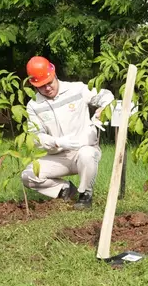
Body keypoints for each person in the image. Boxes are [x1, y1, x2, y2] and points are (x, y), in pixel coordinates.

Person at [20, 56, 114, 210]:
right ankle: (65, 189)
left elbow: (106, 95)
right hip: (58, 155)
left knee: (87, 154)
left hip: (84, 150)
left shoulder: (77, 89)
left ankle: (85, 195)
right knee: (28, 175)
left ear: (55, 75)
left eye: (49, 83)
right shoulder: (33, 105)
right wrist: (57, 142)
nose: (47, 88)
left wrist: (103, 108)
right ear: (34, 86)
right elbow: (35, 137)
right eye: (42, 86)